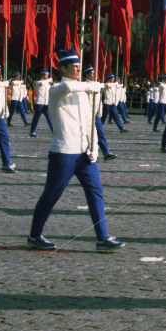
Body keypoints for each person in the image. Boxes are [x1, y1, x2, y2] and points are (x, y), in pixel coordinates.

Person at [27, 49, 125, 253]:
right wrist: (92, 85)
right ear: (63, 68)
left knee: (96, 193)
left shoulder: (83, 92)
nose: (79, 69)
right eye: (74, 67)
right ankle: (35, 235)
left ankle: (102, 237)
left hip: (84, 153)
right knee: (51, 195)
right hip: (63, 152)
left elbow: (91, 122)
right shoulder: (57, 90)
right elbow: (69, 87)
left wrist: (94, 148)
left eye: (80, 66)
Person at [84, 67, 117, 160]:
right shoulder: (84, 85)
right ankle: (83, 153)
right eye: (91, 73)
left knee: (100, 134)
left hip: (96, 115)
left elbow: (99, 100)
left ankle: (106, 153)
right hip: (87, 115)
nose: (94, 75)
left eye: (94, 73)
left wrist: (99, 111)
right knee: (86, 135)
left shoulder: (97, 84)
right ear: (86, 74)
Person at [30, 69, 55, 137]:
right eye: (46, 75)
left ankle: (54, 132)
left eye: (47, 75)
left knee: (50, 119)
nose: (47, 76)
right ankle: (32, 131)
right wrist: (49, 80)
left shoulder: (48, 84)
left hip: (46, 104)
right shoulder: (39, 82)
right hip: (39, 103)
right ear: (42, 75)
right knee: (36, 118)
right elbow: (41, 83)